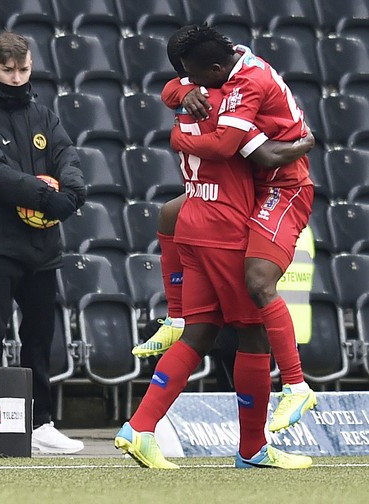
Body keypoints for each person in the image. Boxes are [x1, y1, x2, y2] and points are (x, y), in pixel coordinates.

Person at [114, 27, 313, 470]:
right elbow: (252, 153)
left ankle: (139, 427)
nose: (186, 79)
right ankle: (258, 441)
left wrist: (180, 117)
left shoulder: (195, 100)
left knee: (200, 333)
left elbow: (173, 91)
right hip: (224, 229)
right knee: (252, 333)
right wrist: (305, 143)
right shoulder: (228, 103)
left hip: (193, 221)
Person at [167, 24, 318, 433]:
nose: (192, 82)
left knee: (257, 281)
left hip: (283, 188)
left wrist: (179, 137)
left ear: (217, 68)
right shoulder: (225, 71)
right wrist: (183, 91)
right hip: (251, 187)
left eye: (196, 76)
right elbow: (171, 88)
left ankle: (296, 385)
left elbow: (246, 152)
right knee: (170, 213)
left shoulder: (246, 86)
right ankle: (175, 317)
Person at [0, 32, 87, 454]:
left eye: (24, 70)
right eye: (8, 70)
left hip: (43, 247)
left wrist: (72, 193)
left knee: (39, 338)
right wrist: (46, 197)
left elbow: (67, 154)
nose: (17, 78)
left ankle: (40, 424)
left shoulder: (44, 114)